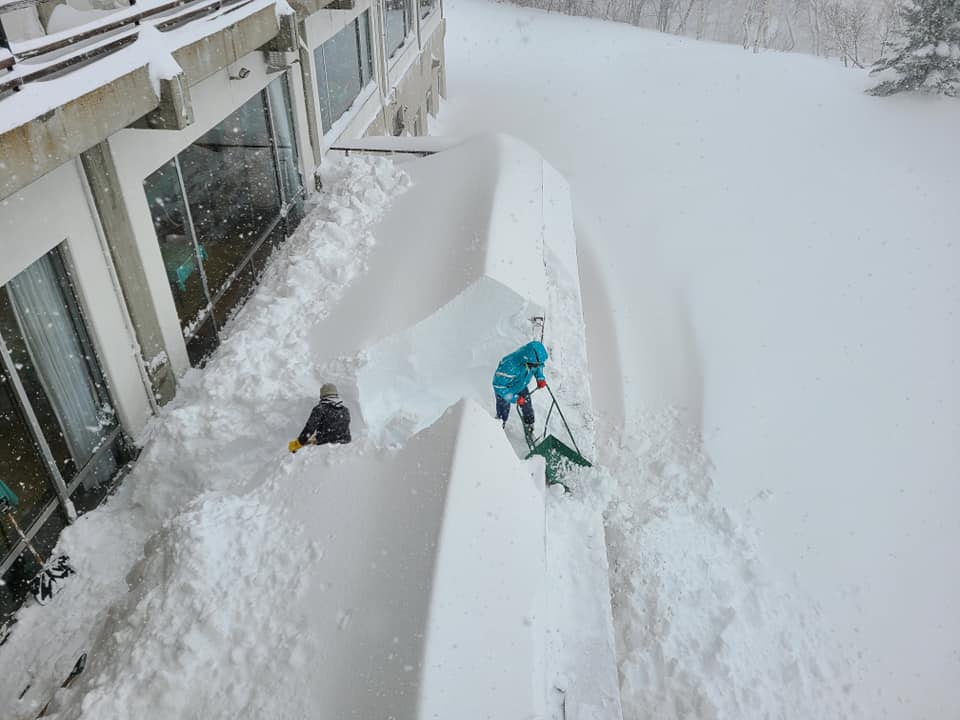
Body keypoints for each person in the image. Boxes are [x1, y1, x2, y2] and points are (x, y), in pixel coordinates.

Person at [492, 340, 549, 444]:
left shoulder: (532, 361)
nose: (537, 366)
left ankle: (529, 429)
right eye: (535, 365)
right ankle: (497, 432)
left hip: (520, 385)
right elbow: (498, 386)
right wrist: (515, 398)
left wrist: (540, 377)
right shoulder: (509, 366)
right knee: (502, 414)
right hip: (505, 391)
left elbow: (538, 366)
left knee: (528, 410)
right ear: (527, 361)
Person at [288, 383, 351, 453]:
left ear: (322, 395)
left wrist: (299, 443)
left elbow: (309, 429)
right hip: (346, 447)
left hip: (325, 449)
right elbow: (340, 430)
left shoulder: (320, 409)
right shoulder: (345, 410)